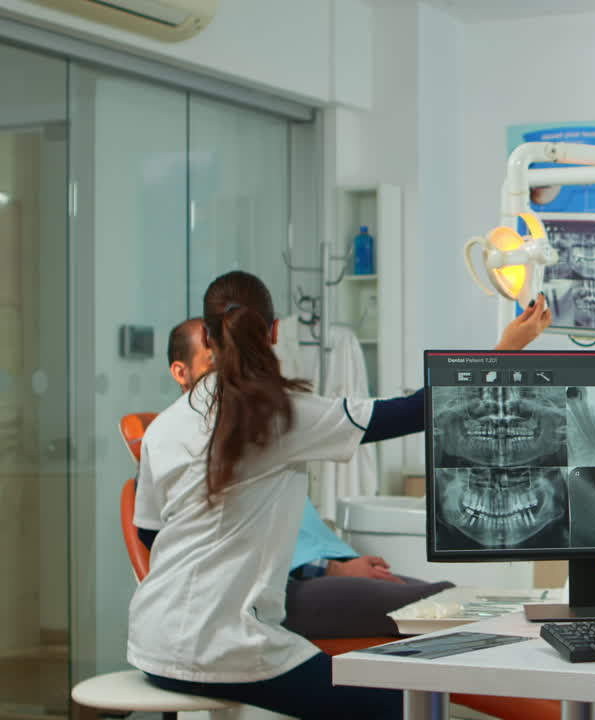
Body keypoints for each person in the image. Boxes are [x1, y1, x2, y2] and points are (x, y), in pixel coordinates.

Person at [131, 272, 550, 718]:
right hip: (228, 649)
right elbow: (414, 410)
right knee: (403, 708)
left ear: (209, 337)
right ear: (274, 332)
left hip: (151, 640)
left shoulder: (164, 427)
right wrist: (505, 352)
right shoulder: (283, 416)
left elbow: (150, 536)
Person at [166, 318, 455, 638]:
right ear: (181, 372)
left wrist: (342, 563)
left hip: (324, 569)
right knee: (443, 605)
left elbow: (403, 413)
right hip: (283, 587)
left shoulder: (266, 422)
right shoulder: (176, 445)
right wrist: (334, 569)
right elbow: (218, 552)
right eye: (213, 363)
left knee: (449, 601)